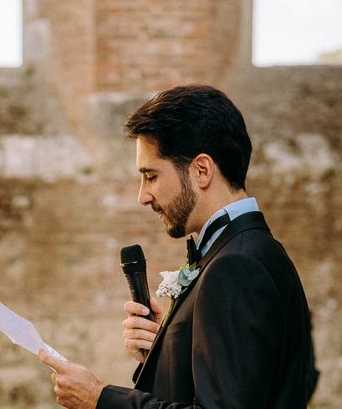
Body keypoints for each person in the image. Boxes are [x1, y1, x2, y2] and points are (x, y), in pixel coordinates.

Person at [39, 85, 312, 408]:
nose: (143, 196)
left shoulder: (236, 266)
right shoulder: (247, 250)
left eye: (151, 176)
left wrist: (100, 399)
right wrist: (168, 349)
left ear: (201, 170)